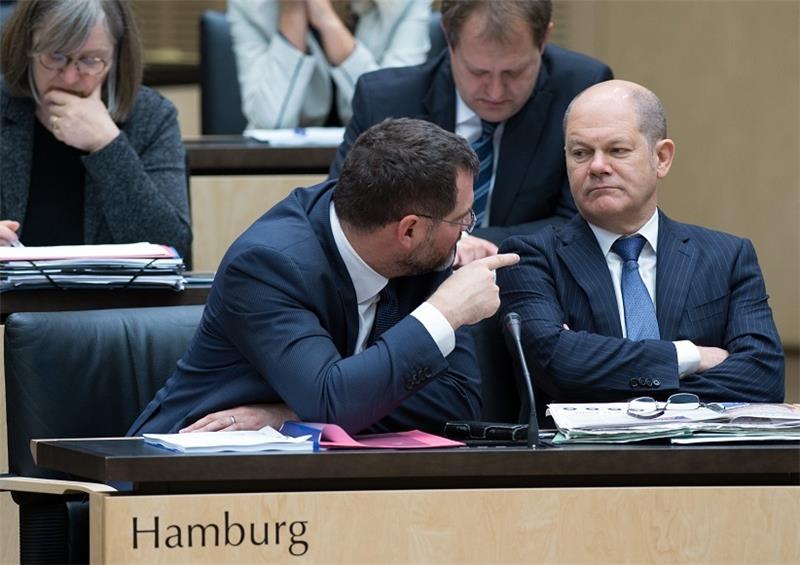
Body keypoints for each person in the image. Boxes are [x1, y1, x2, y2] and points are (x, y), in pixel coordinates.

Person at [128, 118, 519, 436]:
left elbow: (455, 401)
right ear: (409, 230)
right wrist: (443, 313)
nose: (467, 231)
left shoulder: (424, 254)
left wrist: (289, 417)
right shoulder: (268, 265)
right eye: (462, 218)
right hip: (183, 479)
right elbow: (334, 401)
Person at [498, 80, 784, 405]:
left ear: (661, 157)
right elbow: (559, 366)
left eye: (617, 150)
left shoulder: (727, 257)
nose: (597, 167)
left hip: (703, 454)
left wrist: (602, 374)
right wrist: (688, 357)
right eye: (580, 153)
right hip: (581, 455)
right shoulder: (529, 257)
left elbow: (763, 379)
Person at [329, 0, 612, 267]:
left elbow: (585, 220)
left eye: (514, 73)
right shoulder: (385, 101)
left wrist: (476, 243)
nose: (495, 92)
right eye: (478, 72)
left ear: (544, 40)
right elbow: (347, 217)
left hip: (534, 276)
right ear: (448, 38)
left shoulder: (582, 90)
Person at [0, 0, 191, 259]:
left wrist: (107, 144)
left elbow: (174, 248)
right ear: (27, 49)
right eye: (55, 56)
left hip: (115, 299)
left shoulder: (151, 117)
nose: (69, 77)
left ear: (116, 58)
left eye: (90, 60)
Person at [228, 0, 432, 129]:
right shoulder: (250, 6)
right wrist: (293, 11)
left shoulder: (406, 4)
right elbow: (271, 120)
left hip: (380, 169)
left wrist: (327, 21)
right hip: (285, 172)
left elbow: (394, 115)